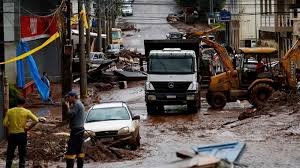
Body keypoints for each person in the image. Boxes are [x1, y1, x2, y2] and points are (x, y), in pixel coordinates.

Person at [3, 96, 45, 168]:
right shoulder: (27, 111)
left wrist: (11, 126)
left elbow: (4, 123)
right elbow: (36, 120)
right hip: (22, 135)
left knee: (10, 154)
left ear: (16, 103)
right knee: (22, 154)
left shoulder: (9, 111)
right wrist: (28, 128)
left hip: (12, 136)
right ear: (24, 103)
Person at [64, 91, 86, 168]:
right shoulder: (80, 104)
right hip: (80, 129)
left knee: (71, 149)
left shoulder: (76, 104)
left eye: (69, 97)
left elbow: (70, 114)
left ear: (73, 97)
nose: (68, 99)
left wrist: (67, 106)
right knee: (79, 149)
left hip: (76, 130)